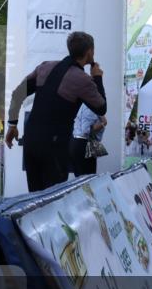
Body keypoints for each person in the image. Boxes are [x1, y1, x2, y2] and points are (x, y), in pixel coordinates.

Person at [6, 31, 107, 192]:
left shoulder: (45, 66)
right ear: (89, 52)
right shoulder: (83, 80)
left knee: (34, 197)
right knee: (52, 201)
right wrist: (97, 78)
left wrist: (12, 125)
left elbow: (18, 93)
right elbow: (101, 107)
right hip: (54, 147)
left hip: (31, 140)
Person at [70, 104, 106, 176]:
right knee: (86, 179)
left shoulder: (86, 106)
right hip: (83, 144)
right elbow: (86, 130)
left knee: (85, 178)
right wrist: (103, 123)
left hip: (82, 143)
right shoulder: (90, 108)